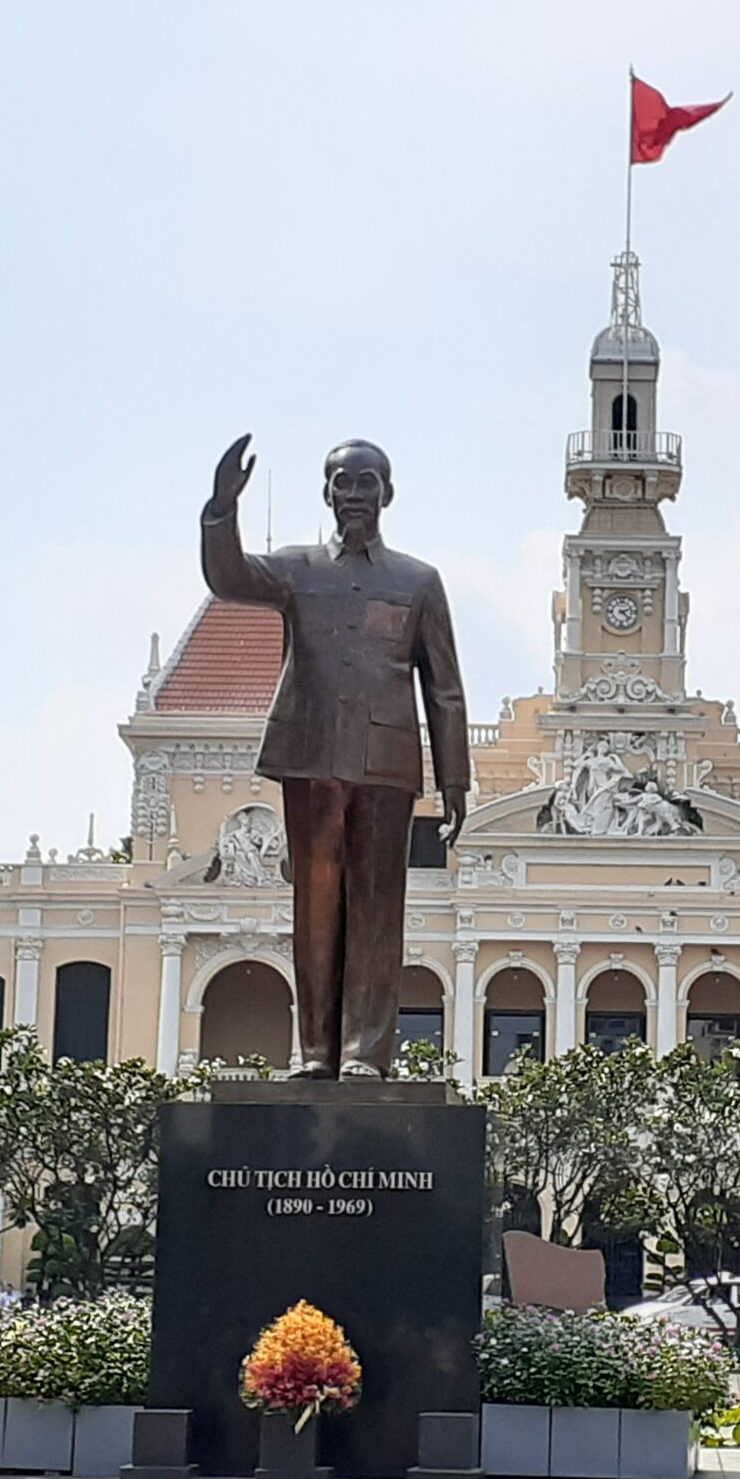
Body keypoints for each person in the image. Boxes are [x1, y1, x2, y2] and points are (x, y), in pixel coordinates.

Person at [201, 432, 471, 1078]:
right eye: (342, 482)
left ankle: (364, 1053)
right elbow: (229, 576)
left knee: (377, 913)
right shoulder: (296, 571)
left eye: (366, 482)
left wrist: (455, 784)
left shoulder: (418, 581)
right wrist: (220, 509)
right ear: (326, 493)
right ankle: (316, 1051)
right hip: (312, 758)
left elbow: (445, 688)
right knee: (316, 908)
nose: (354, 494)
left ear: (388, 493)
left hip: (387, 764)